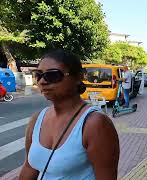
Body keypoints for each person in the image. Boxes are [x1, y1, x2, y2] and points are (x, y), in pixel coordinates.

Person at [19, 49, 119, 180]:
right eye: (38, 75)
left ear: (78, 78)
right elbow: (29, 167)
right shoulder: (37, 119)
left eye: (53, 75)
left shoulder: (94, 124)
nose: (42, 81)